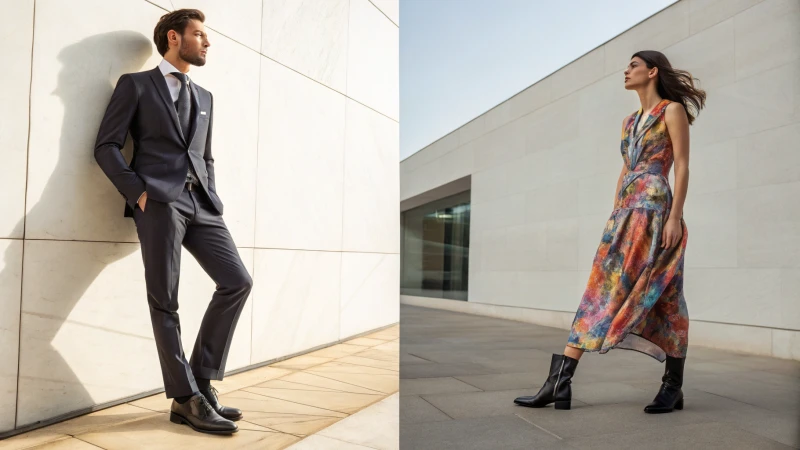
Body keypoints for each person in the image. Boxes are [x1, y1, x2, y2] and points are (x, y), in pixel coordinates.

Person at [514, 50, 706, 414]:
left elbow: (681, 166)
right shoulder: (629, 121)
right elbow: (625, 170)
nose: (626, 70)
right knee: (601, 288)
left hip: (656, 211)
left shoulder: (671, 111)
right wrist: (614, 212)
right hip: (624, 215)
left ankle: (672, 387)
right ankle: (560, 381)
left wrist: (674, 217)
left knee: (666, 297)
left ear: (652, 71)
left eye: (633, 65)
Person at [94, 9, 251, 435]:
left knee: (238, 281)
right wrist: (139, 192)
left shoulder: (206, 98)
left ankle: (202, 380)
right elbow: (106, 146)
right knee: (165, 300)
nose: (207, 42)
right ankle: (184, 400)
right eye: (199, 34)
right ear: (174, 38)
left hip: (201, 203)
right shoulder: (137, 85)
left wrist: (211, 195)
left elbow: (206, 155)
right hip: (158, 202)